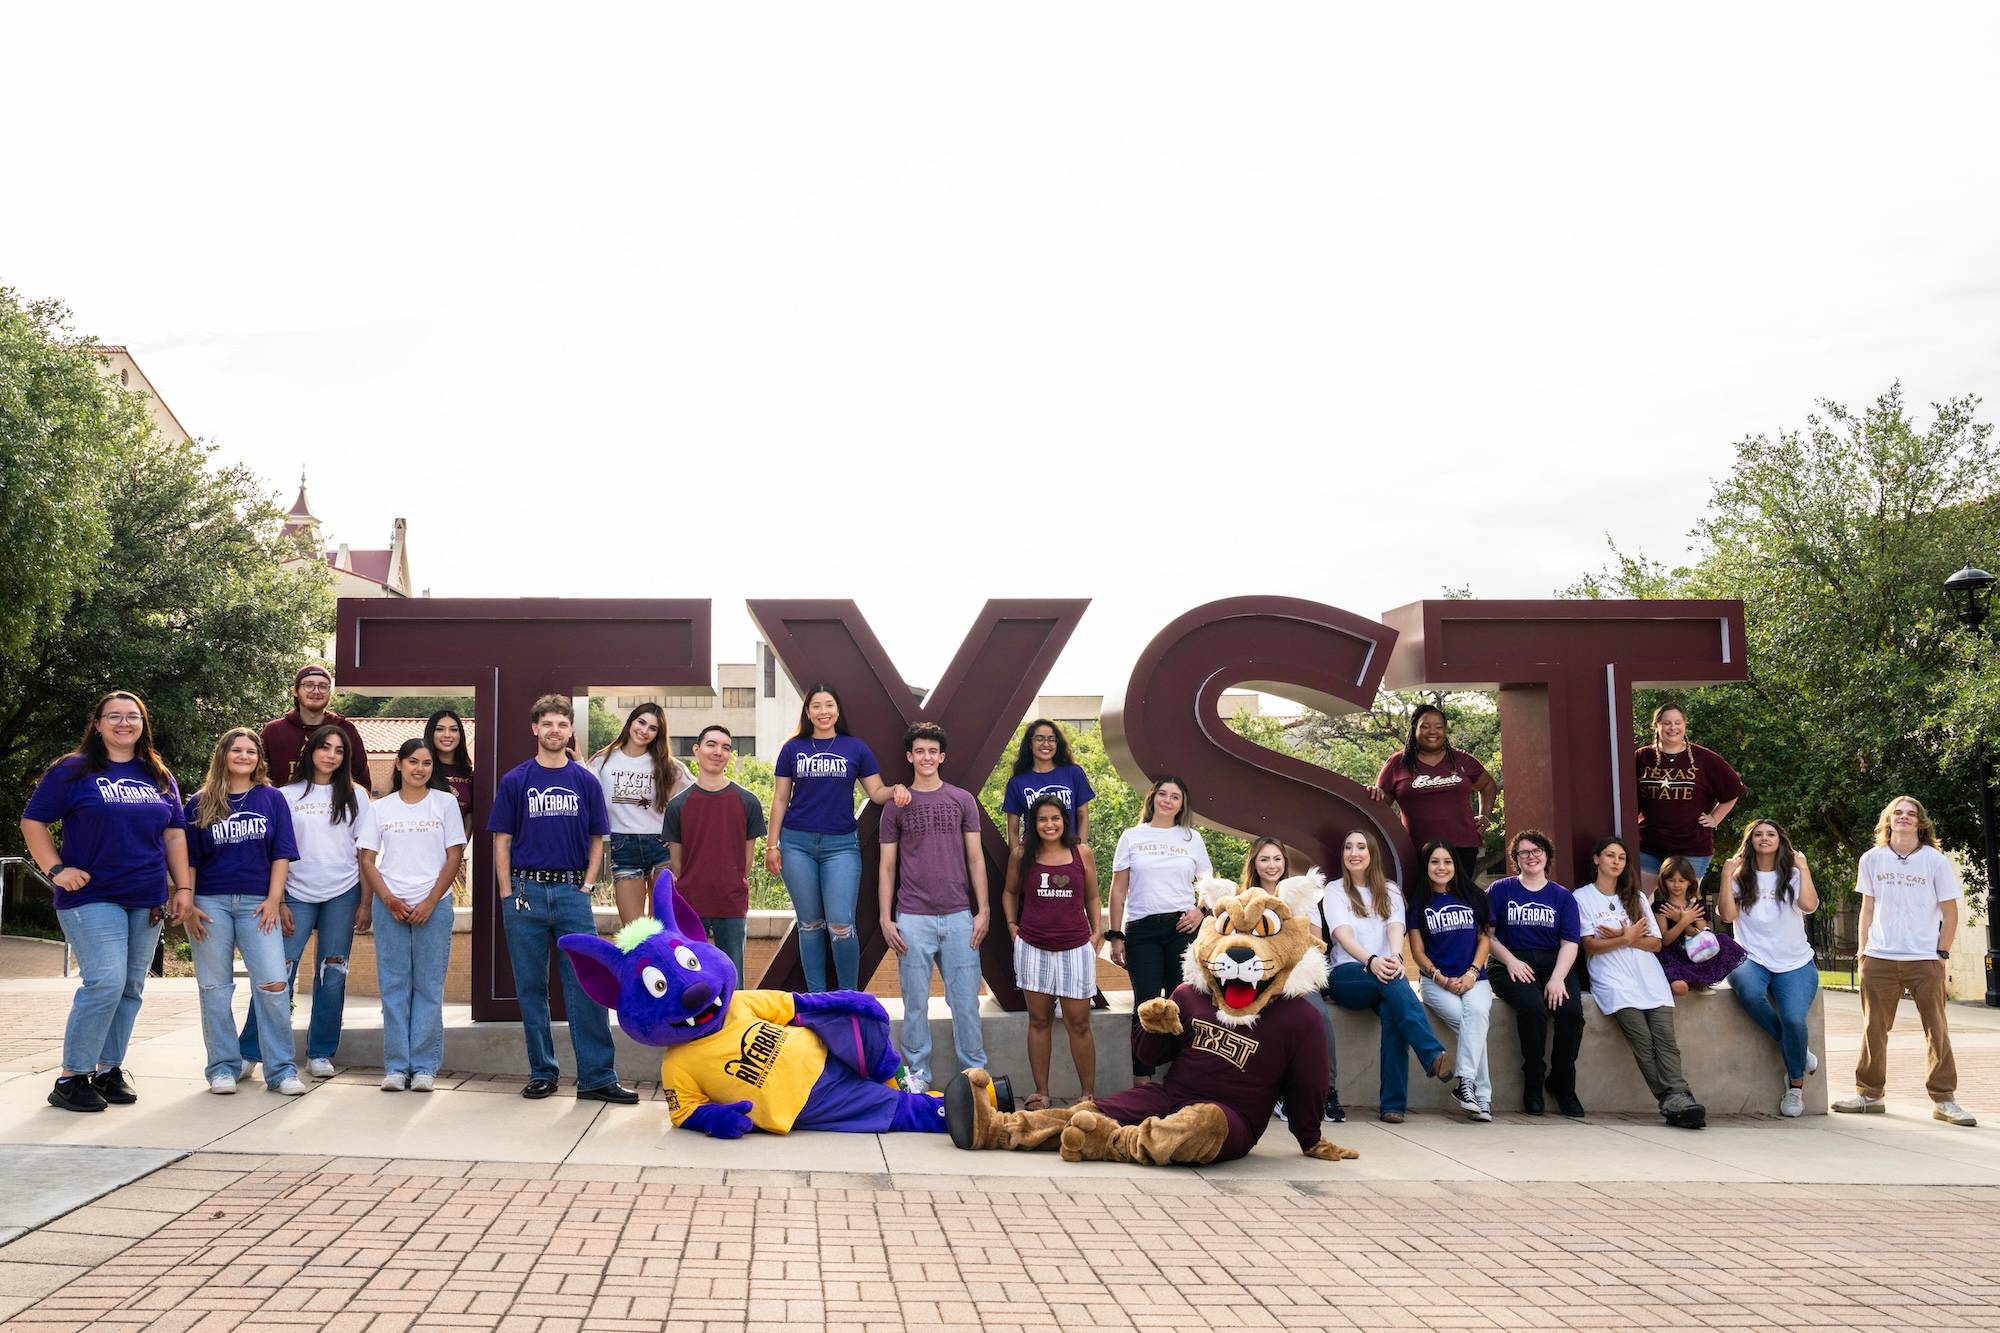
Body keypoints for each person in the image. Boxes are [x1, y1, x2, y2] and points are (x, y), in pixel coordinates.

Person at [21, 691, 191, 1113]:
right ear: (96, 724)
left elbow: (173, 835)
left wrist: (183, 888)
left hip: (146, 896)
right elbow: (33, 820)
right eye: (113, 716)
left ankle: (108, 1069)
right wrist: (56, 869)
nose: (123, 723)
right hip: (91, 895)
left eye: (132, 716)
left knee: (131, 988)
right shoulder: (72, 770)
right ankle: (71, 1077)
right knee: (105, 982)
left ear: (142, 724)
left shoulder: (158, 774)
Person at [488, 694, 638, 1104]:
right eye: (547, 724)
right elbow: (502, 840)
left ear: (570, 730)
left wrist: (587, 885)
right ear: (535, 729)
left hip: (573, 893)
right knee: (532, 987)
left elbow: (597, 838)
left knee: (586, 985)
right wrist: (506, 893)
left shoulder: (585, 781)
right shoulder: (516, 780)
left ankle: (597, 1077)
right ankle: (543, 1073)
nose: (555, 731)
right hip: (525, 892)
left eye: (562, 724)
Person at [177, 728, 305, 1096]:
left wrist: (273, 900)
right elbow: (190, 861)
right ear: (223, 755)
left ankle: (281, 1071)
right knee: (214, 988)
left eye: (251, 751)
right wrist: (191, 904)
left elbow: (281, 853)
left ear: (259, 758)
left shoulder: (271, 799)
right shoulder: (199, 803)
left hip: (257, 904)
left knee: (273, 985)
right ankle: (222, 1067)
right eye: (237, 750)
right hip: (209, 904)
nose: (244, 756)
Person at [241, 723, 370, 1079]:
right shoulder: (284, 795)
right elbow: (273, 853)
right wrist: (278, 899)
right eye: (324, 747)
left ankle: (321, 1052)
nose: (331, 755)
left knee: (333, 975)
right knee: (276, 974)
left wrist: (365, 903)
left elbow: (366, 854)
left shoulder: (357, 796)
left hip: (343, 894)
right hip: (295, 894)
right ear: (310, 751)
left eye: (339, 750)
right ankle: (250, 1051)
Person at [1838, 796, 1976, 1126]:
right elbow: (1867, 909)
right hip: (1880, 957)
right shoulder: (1871, 859)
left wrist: (1941, 953)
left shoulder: (1935, 861)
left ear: (1920, 822)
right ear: (1888, 820)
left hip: (1924, 958)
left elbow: (1950, 911)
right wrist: (1862, 951)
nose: (1903, 817)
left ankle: (1944, 1099)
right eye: (1897, 813)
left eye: (1910, 814)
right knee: (1874, 1029)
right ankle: (1869, 1094)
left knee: (1937, 1029)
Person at [765, 685, 911, 992]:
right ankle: (818, 996)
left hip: (840, 846)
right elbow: (780, 799)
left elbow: (876, 791)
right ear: (807, 712)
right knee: (810, 925)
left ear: (837, 709)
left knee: (841, 925)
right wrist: (771, 844)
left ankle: (848, 995)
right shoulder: (793, 748)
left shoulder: (855, 748)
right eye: (816, 706)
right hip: (796, 845)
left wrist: (895, 790)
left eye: (829, 705)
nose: (823, 711)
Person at [878, 721, 988, 1095]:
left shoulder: (962, 800)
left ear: (942, 756)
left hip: (959, 917)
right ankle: (917, 1074)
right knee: (914, 1005)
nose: (926, 757)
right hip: (912, 917)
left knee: (966, 1003)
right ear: (910, 757)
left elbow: (976, 859)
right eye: (919, 751)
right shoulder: (896, 805)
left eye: (932, 751)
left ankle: (974, 1074)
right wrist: (885, 917)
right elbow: (887, 865)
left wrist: (983, 910)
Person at [1319, 829, 1452, 1122]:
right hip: (1348, 975)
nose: (1354, 853)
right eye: (1348, 848)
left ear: (1372, 854)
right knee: (1393, 982)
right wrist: (1371, 960)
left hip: (1385, 973)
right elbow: (1342, 934)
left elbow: (1396, 926)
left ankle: (1393, 1106)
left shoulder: (1389, 890)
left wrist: (1394, 956)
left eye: (1361, 847)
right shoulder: (1334, 890)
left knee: (1394, 1011)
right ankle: (1431, 1054)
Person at [1574, 836, 1705, 1129]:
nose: (1616, 861)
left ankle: (1679, 1096)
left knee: (1666, 1042)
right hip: (1613, 980)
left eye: (1621, 857)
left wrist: (1621, 939)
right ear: (1597, 859)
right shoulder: (1582, 897)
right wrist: (1629, 938)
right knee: (1643, 1042)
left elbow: (1656, 944)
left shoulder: (1637, 897)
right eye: (1610, 855)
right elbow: (1590, 946)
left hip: (1649, 977)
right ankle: (1673, 1099)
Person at [360, 740, 465, 1092]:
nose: (420, 769)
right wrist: (387, 899)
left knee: (428, 987)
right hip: (390, 905)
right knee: (393, 987)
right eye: (413, 762)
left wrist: (431, 901)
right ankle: (395, 1066)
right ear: (399, 764)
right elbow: (367, 860)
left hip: (433, 906)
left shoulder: (445, 803)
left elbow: (454, 857)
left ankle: (423, 1067)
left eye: (427, 763)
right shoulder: (380, 808)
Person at [1107, 776, 1212, 1082]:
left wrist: (1200, 912)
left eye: (1175, 796)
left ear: (1182, 804)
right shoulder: (1132, 836)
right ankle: (1143, 1082)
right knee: (1146, 1004)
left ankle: (1184, 1078)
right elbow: (1117, 891)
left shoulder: (1191, 838)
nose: (1167, 800)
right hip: (1142, 931)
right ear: (1152, 798)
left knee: (1185, 1003)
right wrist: (1115, 936)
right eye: (1162, 794)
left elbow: (1208, 886)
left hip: (1181, 928)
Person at [1003, 793, 1101, 1110]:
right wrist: (1012, 927)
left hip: (1075, 947)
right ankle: (1041, 1093)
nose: (1049, 824)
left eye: (1055, 818)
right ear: (1034, 823)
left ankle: (1086, 1095)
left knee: (1079, 1022)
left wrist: (1097, 931)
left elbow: (1092, 897)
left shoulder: (1080, 852)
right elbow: (1009, 892)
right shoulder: (1022, 855)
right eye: (1043, 819)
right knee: (1039, 1020)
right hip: (1033, 946)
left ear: (1064, 821)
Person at [1719, 818, 1820, 1118]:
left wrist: (1803, 867)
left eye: (1770, 834)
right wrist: (1725, 877)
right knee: (1748, 991)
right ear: (1750, 841)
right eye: (1758, 834)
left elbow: (1810, 905)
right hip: (1751, 958)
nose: (1764, 838)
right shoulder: (1739, 876)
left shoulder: (1791, 873)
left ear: (1780, 840)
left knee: (1793, 1020)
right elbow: (1726, 915)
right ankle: (1798, 1053)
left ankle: (1795, 1088)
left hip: (1795, 961)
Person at [1486, 828, 1586, 1117]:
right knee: (1532, 1009)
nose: (1531, 857)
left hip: (1554, 964)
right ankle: (1533, 1083)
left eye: (1536, 851)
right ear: (1516, 858)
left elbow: (1570, 942)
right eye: (1524, 852)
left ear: (1547, 856)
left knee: (1570, 1013)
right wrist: (1510, 961)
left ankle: (1563, 1084)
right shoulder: (1501, 890)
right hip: (1509, 962)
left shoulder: (1562, 897)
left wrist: (1557, 979)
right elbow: (1488, 935)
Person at [1245, 837, 1339, 1121]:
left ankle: (1328, 1091)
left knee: (1318, 1015)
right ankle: (1278, 1093)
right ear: (1254, 864)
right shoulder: (1246, 898)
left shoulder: (1302, 894)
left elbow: (1316, 941)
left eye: (1277, 858)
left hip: (1297, 972)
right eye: (1264, 859)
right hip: (1259, 975)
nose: (1271, 865)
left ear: (1285, 862)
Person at [663, 725, 766, 980]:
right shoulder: (678, 806)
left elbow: (747, 862)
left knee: (732, 979)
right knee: (689, 980)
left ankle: (734, 1023)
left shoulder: (748, 801)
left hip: (730, 904)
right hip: (690, 905)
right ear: (697, 750)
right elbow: (677, 865)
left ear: (730, 755)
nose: (718, 751)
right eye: (711, 744)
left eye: (726, 747)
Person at [1406, 839, 1494, 1122]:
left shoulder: (1474, 897)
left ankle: (1467, 1085)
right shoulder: (1419, 902)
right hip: (1435, 982)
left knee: (1477, 1013)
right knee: (1472, 1024)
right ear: (1426, 866)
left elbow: (1484, 940)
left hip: (1475, 979)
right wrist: (1439, 976)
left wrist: (1471, 973)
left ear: (1456, 865)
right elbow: (1417, 951)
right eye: (1434, 862)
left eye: (1447, 862)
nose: (1441, 867)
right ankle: (1482, 1098)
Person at [586, 702, 693, 925]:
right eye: (641, 722)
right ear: (630, 722)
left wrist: (679, 837)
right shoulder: (603, 761)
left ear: (658, 734)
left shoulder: (668, 766)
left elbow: (696, 800)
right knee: (634, 932)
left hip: (661, 847)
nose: (644, 731)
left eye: (653, 728)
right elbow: (585, 793)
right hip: (623, 847)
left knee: (664, 928)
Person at [1367, 703, 1498, 880]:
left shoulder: (1462, 760)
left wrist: (1485, 816)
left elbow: (1488, 785)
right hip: (1416, 849)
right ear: (1415, 728)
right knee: (1421, 903)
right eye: (1425, 726)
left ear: (1445, 730)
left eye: (1438, 727)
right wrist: (1375, 793)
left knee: (1458, 902)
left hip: (1462, 847)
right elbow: (1381, 804)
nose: (1432, 731)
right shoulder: (1398, 763)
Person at [1634, 703, 1744, 888]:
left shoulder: (1705, 758)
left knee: (1684, 906)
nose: (1672, 728)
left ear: (1685, 725)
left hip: (1692, 847)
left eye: (1678, 722)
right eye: (1666, 723)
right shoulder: (1642, 756)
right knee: (1639, 902)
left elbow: (1733, 790)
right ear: (1656, 725)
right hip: (1648, 846)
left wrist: (1715, 818)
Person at [259, 664, 370, 787]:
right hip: (282, 805)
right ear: (295, 691)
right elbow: (258, 777)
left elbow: (361, 780)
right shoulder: (273, 731)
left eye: (323, 686)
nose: (316, 691)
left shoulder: (345, 730)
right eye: (309, 685)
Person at [1652, 853, 1745, 994]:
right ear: (1664, 881)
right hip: (1673, 955)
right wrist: (1683, 921)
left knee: (1724, 941)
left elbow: (1704, 937)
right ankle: (1688, 981)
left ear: (1689, 881)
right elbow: (1665, 941)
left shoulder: (1697, 906)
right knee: (1679, 987)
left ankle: (1699, 980)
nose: (1676, 885)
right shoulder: (1661, 907)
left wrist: (1682, 921)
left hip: (1696, 952)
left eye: (1681, 880)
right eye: (1671, 880)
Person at [1001, 719, 1095, 844]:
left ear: (1057, 743)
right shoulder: (1017, 782)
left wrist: (1081, 851)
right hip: (1034, 855)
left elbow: (1083, 816)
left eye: (1051, 739)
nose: (1046, 744)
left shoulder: (1074, 773)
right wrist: (1017, 859)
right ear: (1030, 743)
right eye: (1039, 739)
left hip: (1070, 853)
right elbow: (1012, 829)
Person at [425, 708, 475, 829]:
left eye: (453, 730)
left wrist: (460, 846)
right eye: (440, 729)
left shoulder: (469, 776)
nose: (447, 735)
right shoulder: (421, 771)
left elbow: (470, 816)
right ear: (431, 733)